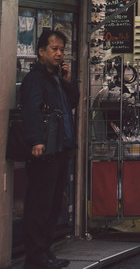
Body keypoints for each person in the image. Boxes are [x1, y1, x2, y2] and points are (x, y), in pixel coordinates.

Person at [20, 29, 78, 269]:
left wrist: (67, 81)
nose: (59, 53)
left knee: (55, 203)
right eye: (54, 49)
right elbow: (31, 110)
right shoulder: (35, 79)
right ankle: (35, 256)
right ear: (41, 51)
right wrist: (36, 141)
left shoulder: (57, 78)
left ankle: (46, 251)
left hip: (61, 147)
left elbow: (72, 102)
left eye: (62, 49)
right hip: (45, 148)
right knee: (40, 204)